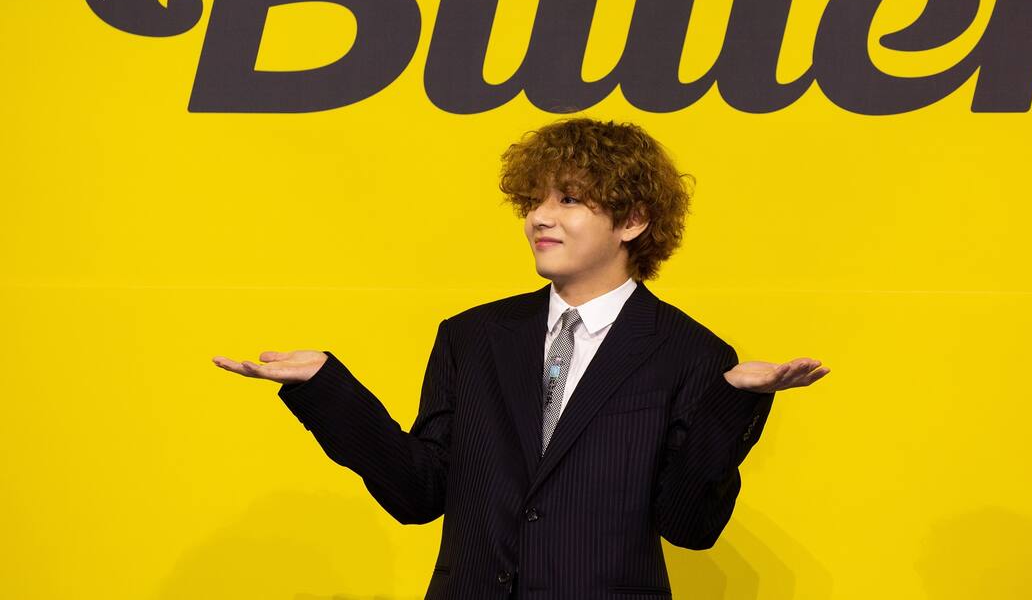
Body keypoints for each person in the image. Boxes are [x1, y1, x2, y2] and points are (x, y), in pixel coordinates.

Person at [213, 117, 829, 599]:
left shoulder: (690, 353)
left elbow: (689, 527)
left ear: (634, 220)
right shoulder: (473, 337)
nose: (539, 217)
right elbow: (418, 492)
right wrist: (327, 390)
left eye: (567, 200)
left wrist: (736, 401)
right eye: (533, 201)